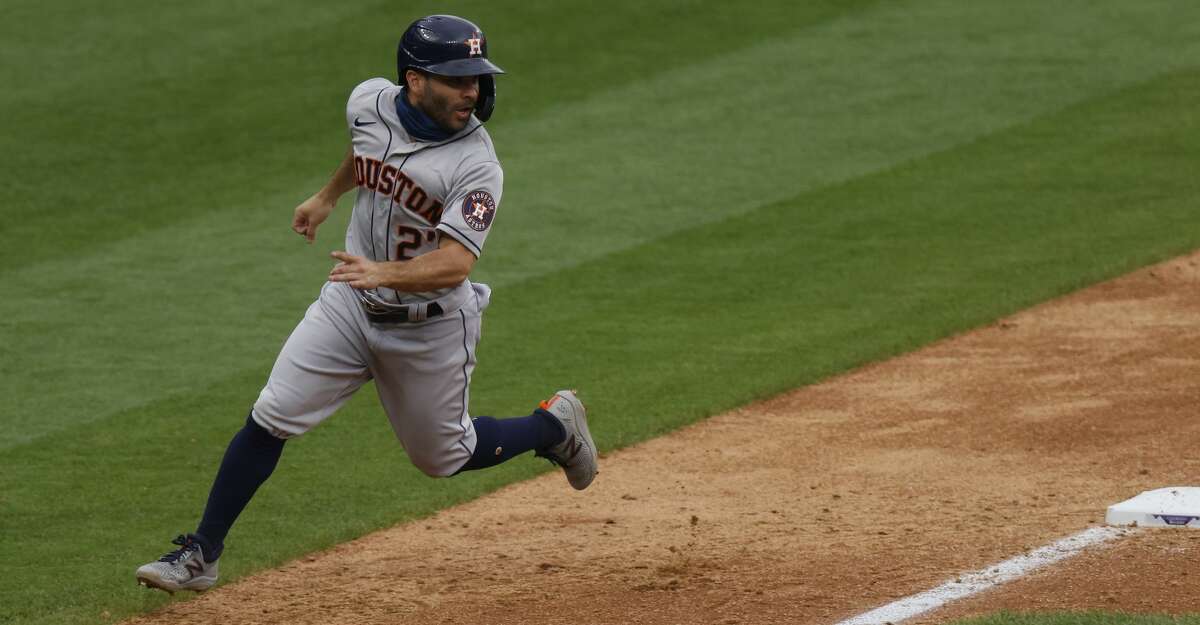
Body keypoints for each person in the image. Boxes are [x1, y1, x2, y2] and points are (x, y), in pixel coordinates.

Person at [135, 14, 597, 594]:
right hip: (349, 307)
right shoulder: (368, 101)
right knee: (272, 415)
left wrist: (381, 271)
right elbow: (366, 152)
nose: (472, 91)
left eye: (476, 77)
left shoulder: (477, 164)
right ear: (414, 81)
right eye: (457, 80)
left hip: (429, 327)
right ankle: (201, 554)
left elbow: (456, 263)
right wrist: (328, 195)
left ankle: (552, 424)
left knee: (444, 457)